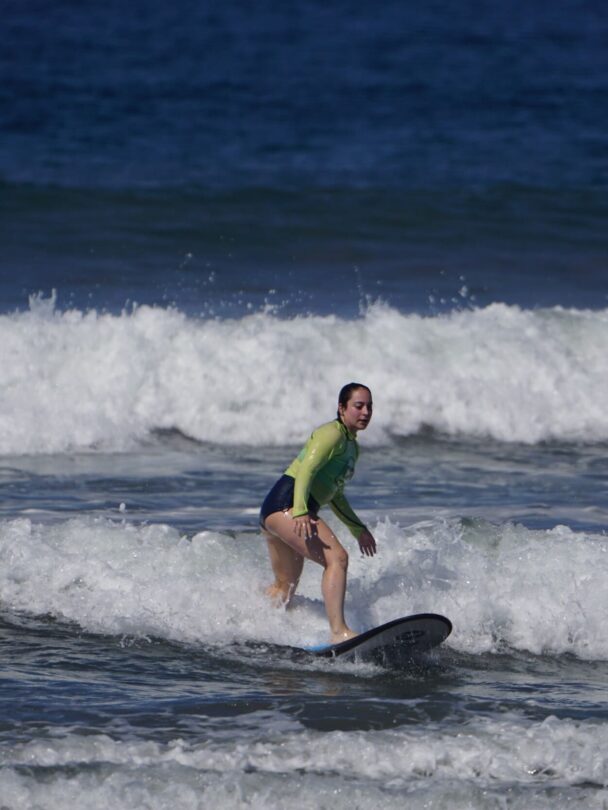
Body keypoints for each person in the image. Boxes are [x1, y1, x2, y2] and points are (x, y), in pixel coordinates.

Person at [259, 383, 377, 643]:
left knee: (284, 588)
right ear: (342, 408)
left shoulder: (351, 447)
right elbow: (306, 470)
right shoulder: (331, 434)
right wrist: (300, 511)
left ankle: (250, 623)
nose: (365, 412)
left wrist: (358, 529)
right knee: (338, 559)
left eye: (369, 406)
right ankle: (339, 632)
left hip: (278, 510)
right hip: (286, 505)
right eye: (358, 406)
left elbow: (334, 494)